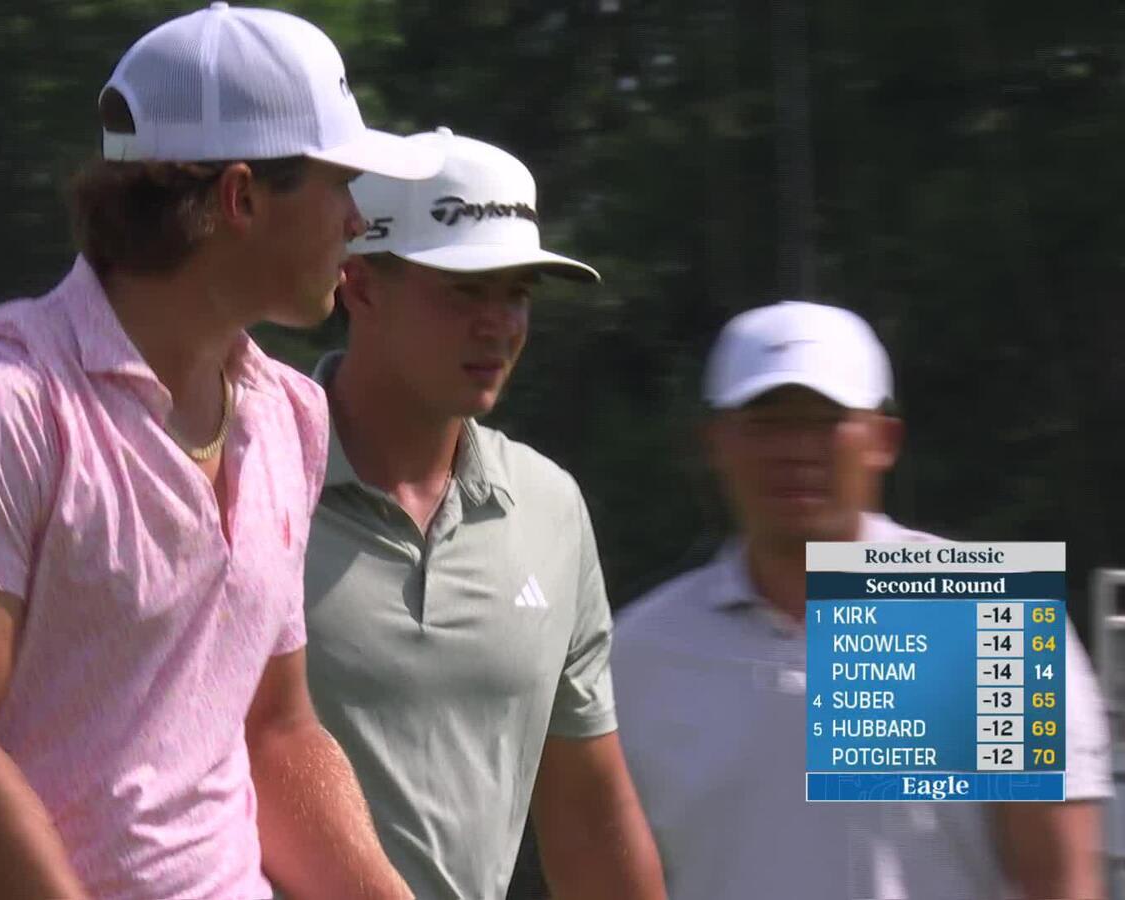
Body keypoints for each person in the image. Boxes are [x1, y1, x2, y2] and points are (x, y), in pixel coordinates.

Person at [0, 4, 443, 898]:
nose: (359, 221)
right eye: (340, 185)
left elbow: (275, 732)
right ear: (242, 198)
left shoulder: (291, 416)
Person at [611, 300, 1112, 899]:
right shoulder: (639, 653)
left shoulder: (984, 617)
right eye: (766, 423)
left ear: (883, 439)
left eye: (825, 420)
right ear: (715, 443)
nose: (795, 450)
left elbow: (1058, 882)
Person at [303, 127, 667, 900]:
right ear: (360, 285)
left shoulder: (550, 506)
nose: (499, 324)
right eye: (466, 290)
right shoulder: (247, 474)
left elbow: (587, 809)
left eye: (517, 294)